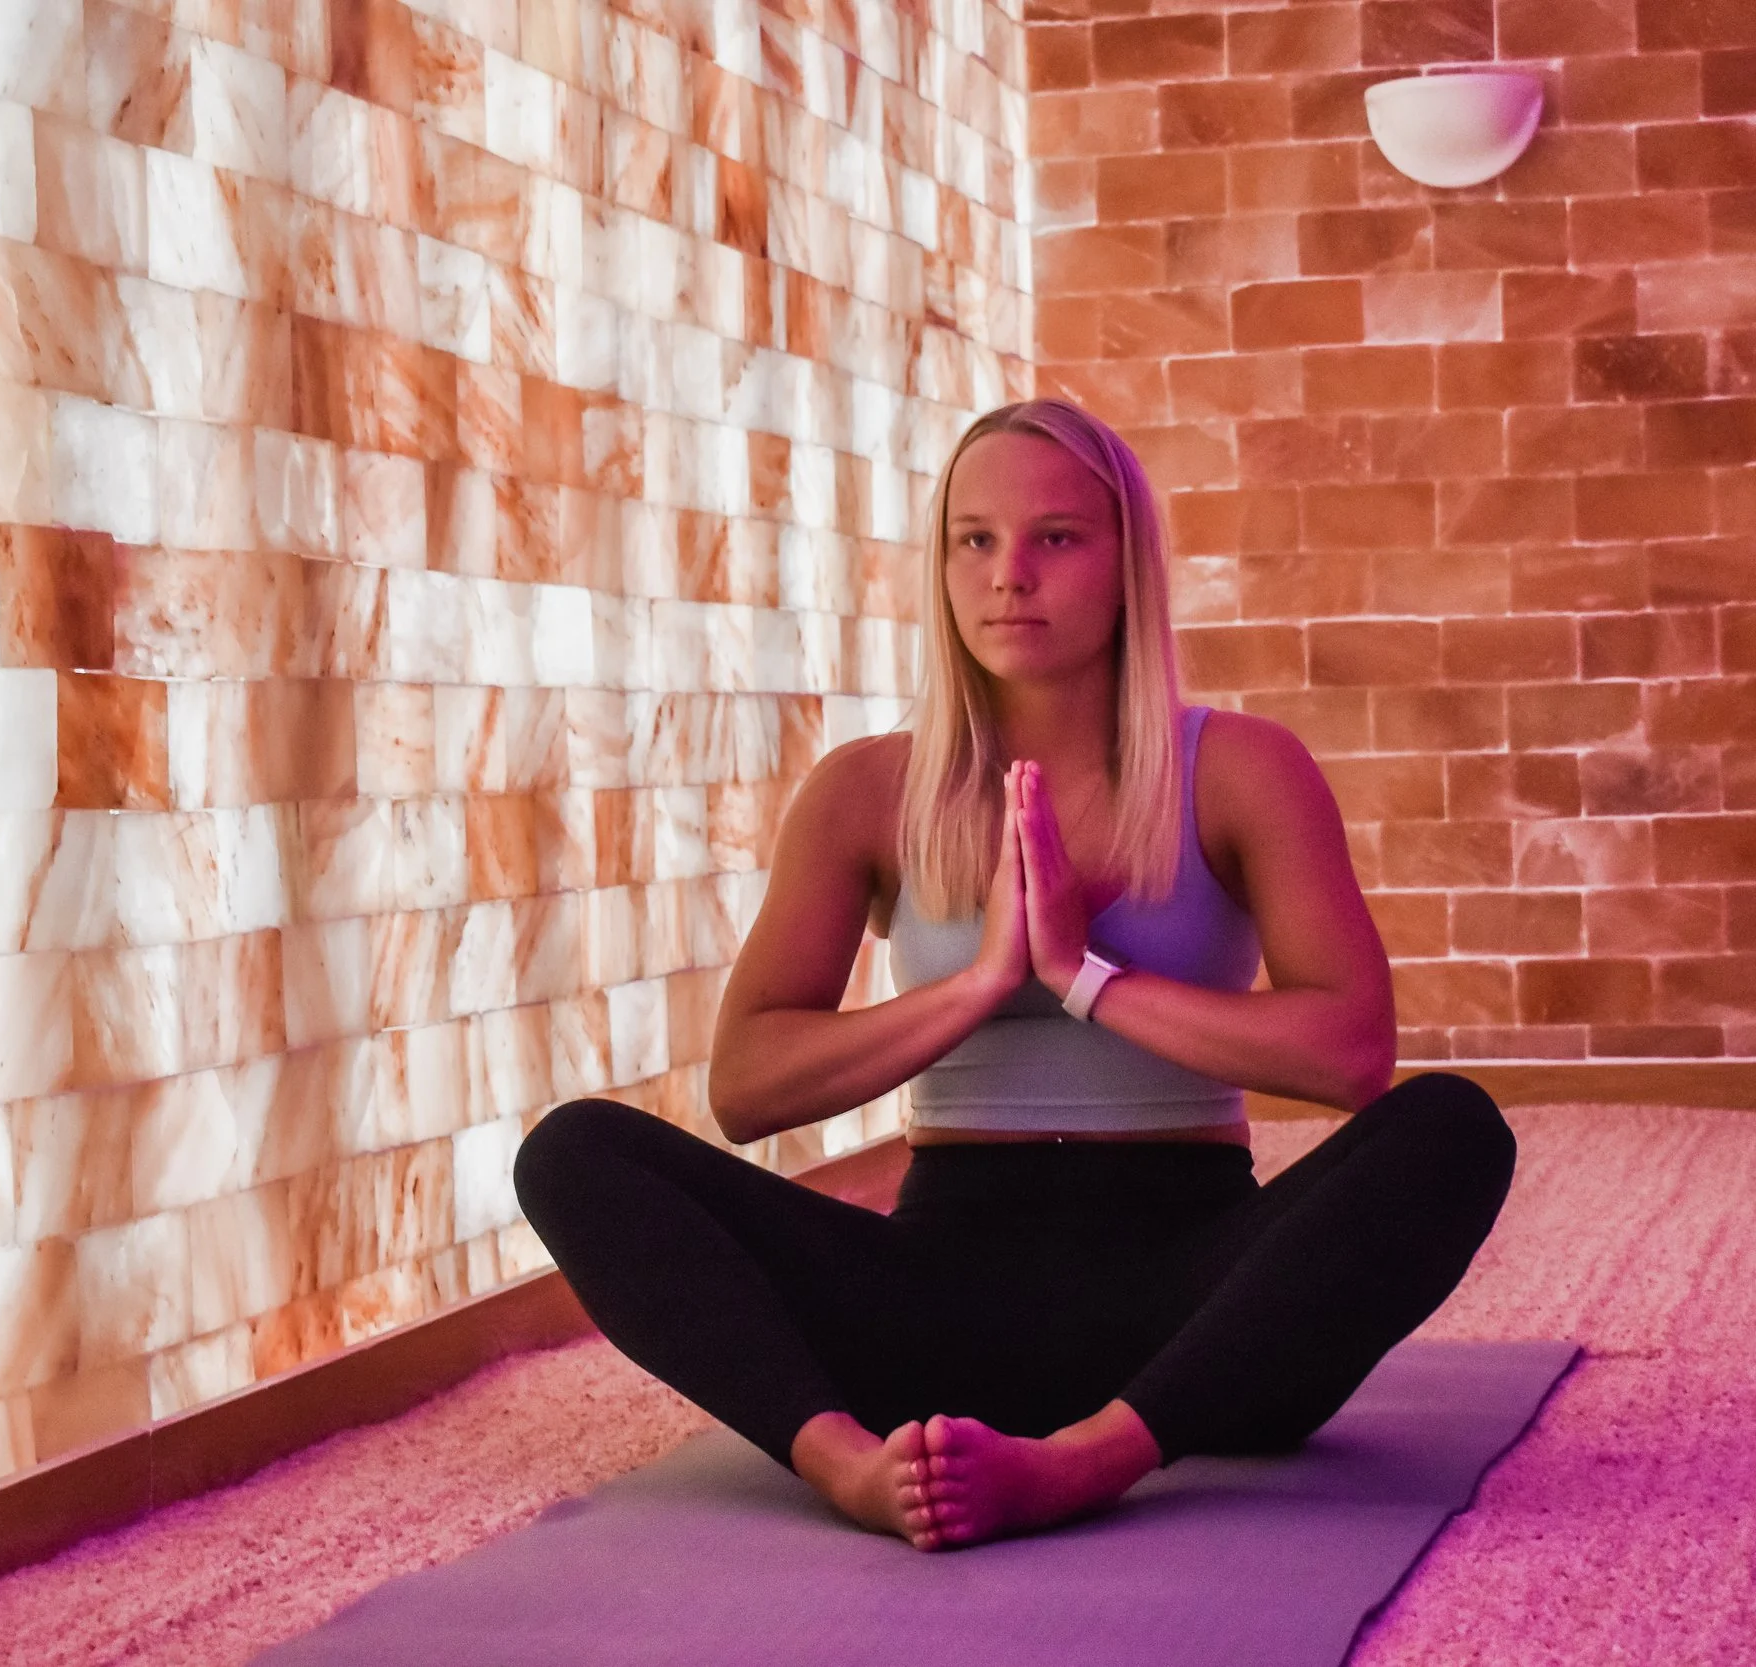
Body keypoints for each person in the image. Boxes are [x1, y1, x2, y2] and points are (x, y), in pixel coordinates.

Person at [513, 398, 1517, 1552]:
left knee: (1451, 1127)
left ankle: (1090, 1461)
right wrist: (978, 982)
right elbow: (746, 1086)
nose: (1009, 575)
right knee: (575, 1153)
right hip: (931, 1305)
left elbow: (1350, 1055)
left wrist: (1084, 976)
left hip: (1196, 1314)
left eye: (1056, 537)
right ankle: (846, 1465)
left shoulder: (1242, 770)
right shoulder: (866, 791)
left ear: (1126, 563)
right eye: (975, 540)